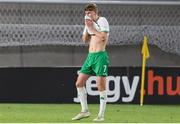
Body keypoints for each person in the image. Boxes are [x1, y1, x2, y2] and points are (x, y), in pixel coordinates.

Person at [72, 3, 110, 122]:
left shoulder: (102, 20)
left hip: (100, 56)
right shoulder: (88, 23)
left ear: (95, 12)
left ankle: (101, 115)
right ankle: (85, 111)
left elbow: (103, 37)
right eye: (86, 13)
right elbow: (84, 40)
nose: (87, 15)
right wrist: (87, 28)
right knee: (79, 83)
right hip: (90, 57)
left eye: (89, 13)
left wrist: (92, 28)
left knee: (101, 86)